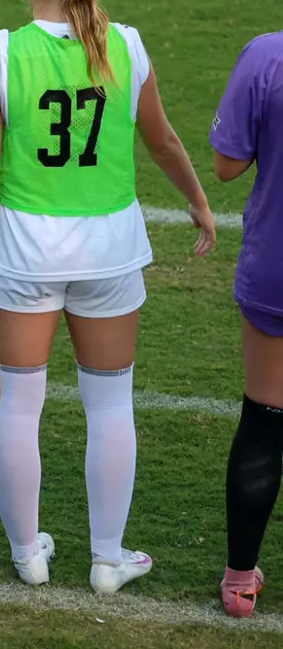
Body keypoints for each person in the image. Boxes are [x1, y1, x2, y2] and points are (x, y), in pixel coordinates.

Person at [0, 0, 217, 594]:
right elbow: (162, 141)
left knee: (18, 404)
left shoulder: (0, 55)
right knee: (110, 404)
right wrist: (197, 200)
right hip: (110, 247)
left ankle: (29, 554)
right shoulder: (126, 47)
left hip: (24, 248)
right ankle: (108, 558)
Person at [210, 30, 283, 617]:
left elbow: (227, 165)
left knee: (264, 418)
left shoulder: (266, 55)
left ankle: (239, 582)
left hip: (276, 268)